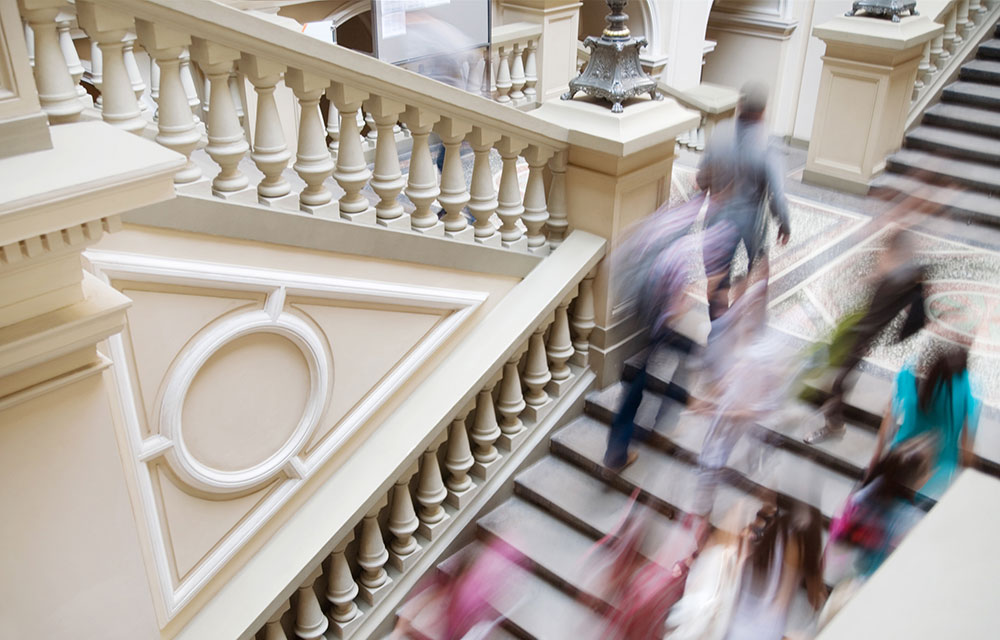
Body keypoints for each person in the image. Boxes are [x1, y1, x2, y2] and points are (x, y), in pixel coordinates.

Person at [805, 230, 926, 444]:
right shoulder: (899, 274)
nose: (882, 256)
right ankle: (833, 419)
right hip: (855, 330)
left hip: (861, 337)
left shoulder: (904, 279)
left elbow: (914, 312)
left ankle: (834, 426)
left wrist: (891, 337)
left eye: (888, 251)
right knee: (831, 376)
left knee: (837, 381)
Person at [697, 82, 791, 325]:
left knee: (718, 280)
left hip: (717, 217)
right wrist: (784, 223)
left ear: (739, 106)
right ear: (763, 111)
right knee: (759, 272)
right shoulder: (768, 144)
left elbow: (702, 178)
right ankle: (750, 330)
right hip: (751, 223)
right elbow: (777, 193)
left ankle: (717, 329)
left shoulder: (720, 133)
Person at [867, 344, 979, 500]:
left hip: (900, 463)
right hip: (938, 474)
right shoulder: (968, 384)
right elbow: (967, 448)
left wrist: (877, 456)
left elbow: (890, 415)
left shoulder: (910, 369)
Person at [722, 504, 826, 640]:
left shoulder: (772, 541)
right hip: (762, 629)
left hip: (737, 626)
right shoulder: (799, 551)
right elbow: (815, 600)